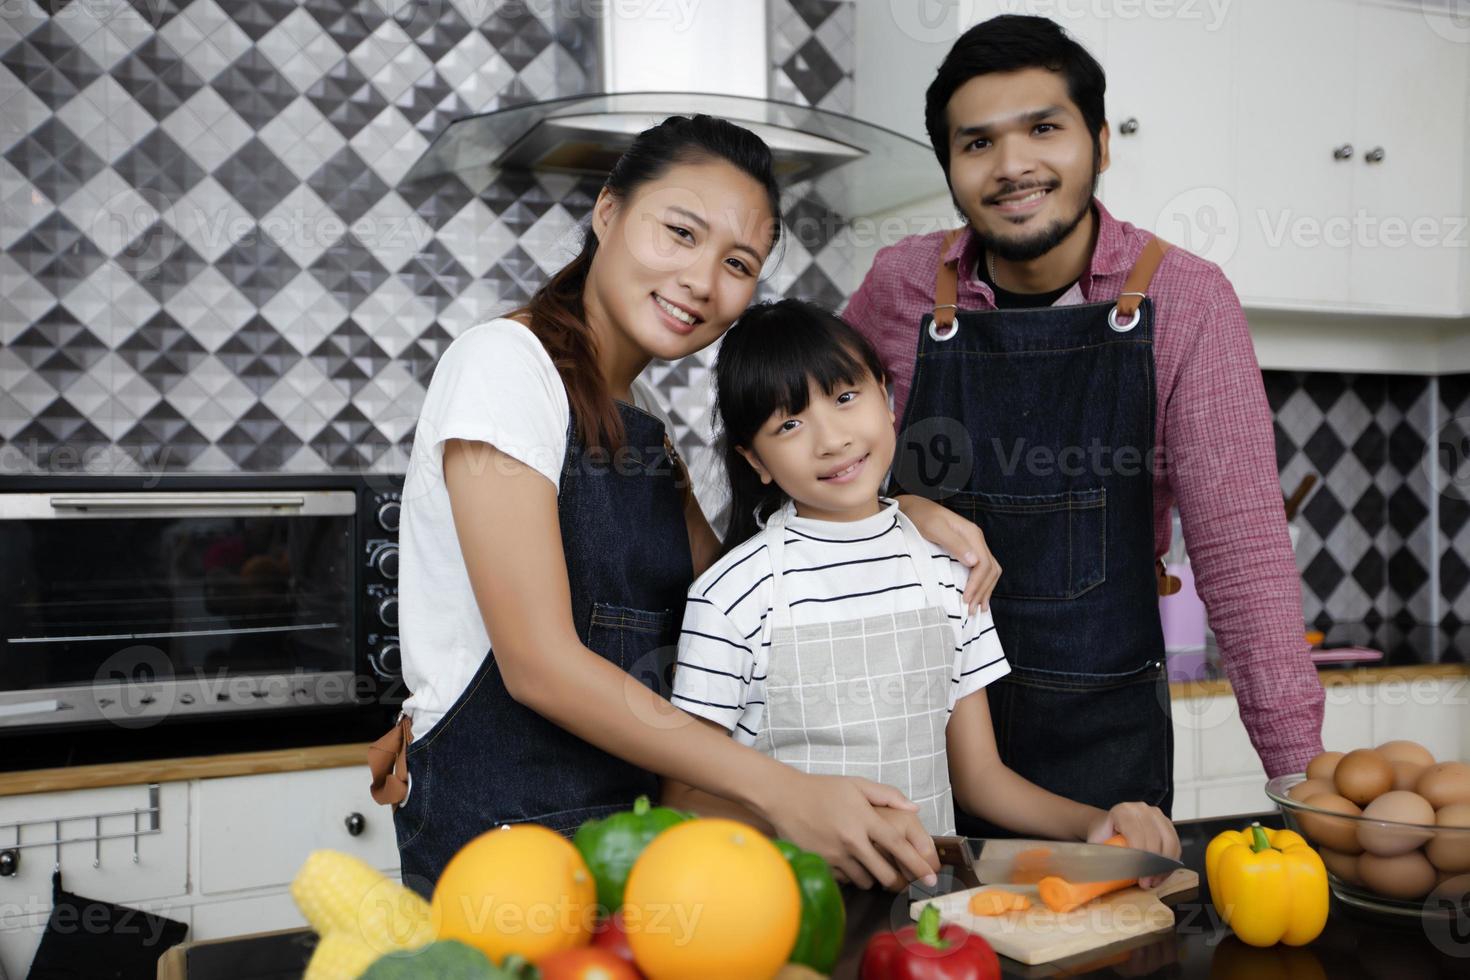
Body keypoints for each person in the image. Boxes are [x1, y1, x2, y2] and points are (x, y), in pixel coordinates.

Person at [368, 115, 1003, 896]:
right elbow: (539, 666)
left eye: (737, 263)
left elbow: (745, 588)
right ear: (608, 213)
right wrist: (780, 788)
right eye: (680, 232)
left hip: (640, 839)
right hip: (508, 840)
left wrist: (897, 515)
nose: (703, 281)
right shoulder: (504, 365)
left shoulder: (646, 440)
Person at [844, 15, 1324, 838]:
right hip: (912, 735)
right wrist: (892, 510)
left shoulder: (1187, 299)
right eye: (978, 144)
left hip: (1103, 754)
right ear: (950, 170)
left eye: (1043, 129)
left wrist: (1299, 780)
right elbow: (802, 450)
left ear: (1099, 144)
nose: (1014, 166)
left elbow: (1242, 553)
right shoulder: (901, 286)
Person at [661, 299, 1180, 881]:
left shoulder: (949, 570)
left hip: (929, 908)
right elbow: (684, 795)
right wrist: (797, 820)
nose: (830, 440)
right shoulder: (729, 595)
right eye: (789, 424)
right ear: (755, 459)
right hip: (783, 906)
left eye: (844, 397)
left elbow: (981, 779)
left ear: (887, 397)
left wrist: (1092, 824)